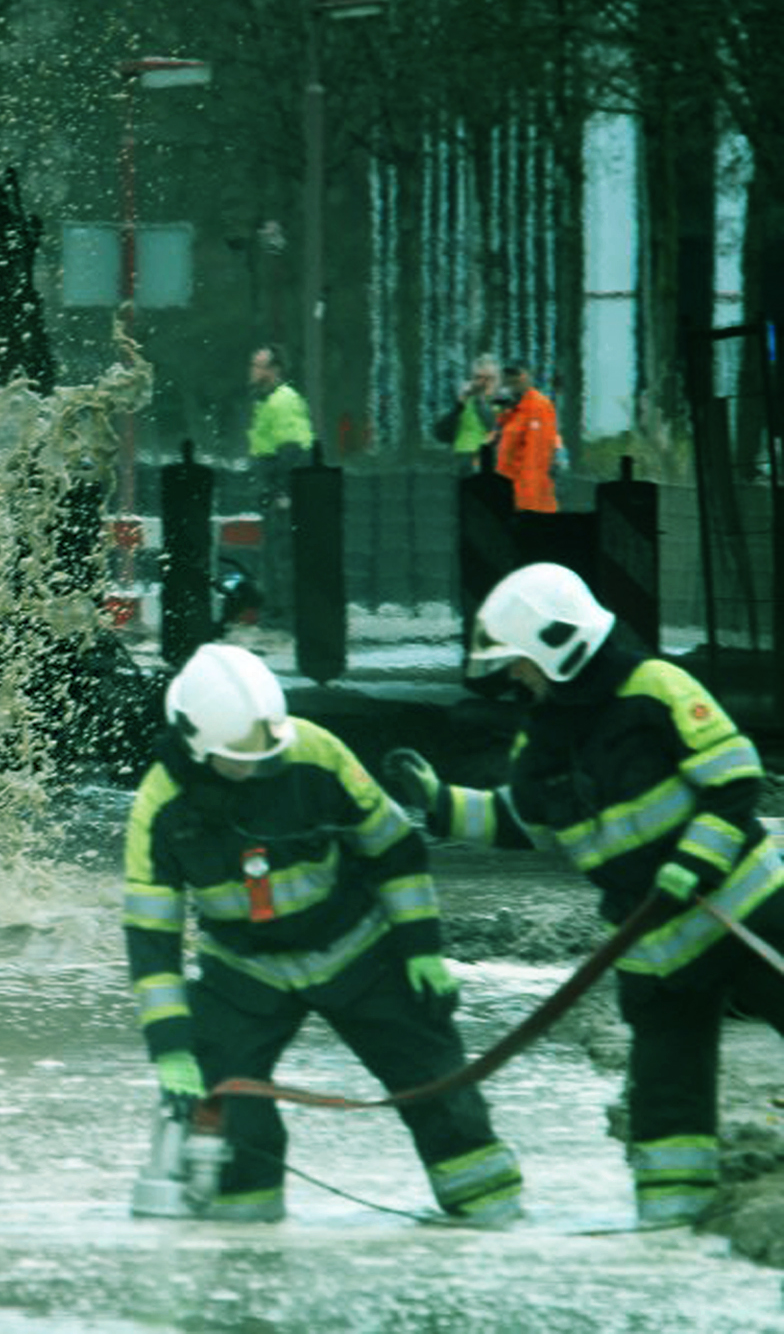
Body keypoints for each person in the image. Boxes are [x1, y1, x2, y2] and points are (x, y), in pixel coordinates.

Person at [384, 562, 784, 1226]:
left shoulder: (655, 688)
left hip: (741, 910)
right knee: (665, 1097)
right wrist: (442, 804)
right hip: (652, 944)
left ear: (555, 643)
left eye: (519, 661)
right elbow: (526, 818)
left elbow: (735, 778)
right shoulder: (542, 734)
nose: (515, 676)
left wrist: (695, 861)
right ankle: (670, 1229)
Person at [124, 643, 525, 1223]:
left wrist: (421, 950)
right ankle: (246, 1249)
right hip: (245, 971)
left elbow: (394, 847)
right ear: (194, 743)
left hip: (356, 947)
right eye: (239, 756)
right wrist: (172, 1051)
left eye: (267, 751)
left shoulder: (314, 751)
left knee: (435, 1077)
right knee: (232, 1104)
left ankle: (494, 1217)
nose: (257, 764)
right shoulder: (160, 808)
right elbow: (151, 940)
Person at [244, 345, 313, 618]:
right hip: (272, 487)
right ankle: (279, 609)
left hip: (280, 490)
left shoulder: (282, 401)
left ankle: (284, 613)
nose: (253, 371)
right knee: (275, 551)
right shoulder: (267, 401)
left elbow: (291, 448)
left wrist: (282, 491)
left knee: (282, 552)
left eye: (258, 366)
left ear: (274, 371)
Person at [491, 364, 560, 512]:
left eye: (517, 378)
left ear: (528, 377)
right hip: (507, 493)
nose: (512, 382)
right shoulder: (510, 408)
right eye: (508, 379)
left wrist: (526, 504)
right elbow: (495, 441)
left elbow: (537, 458)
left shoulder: (539, 406)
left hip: (528, 502)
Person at [432, 354, 499, 471]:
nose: (483, 382)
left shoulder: (503, 402)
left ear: (497, 381)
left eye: (488, 378)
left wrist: (480, 400)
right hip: (464, 461)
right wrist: (459, 405)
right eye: (478, 378)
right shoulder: (463, 402)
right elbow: (441, 433)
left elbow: (492, 425)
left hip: (493, 461)